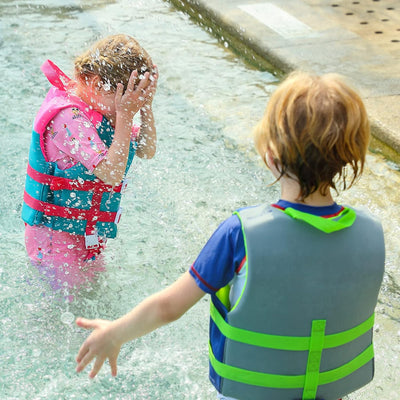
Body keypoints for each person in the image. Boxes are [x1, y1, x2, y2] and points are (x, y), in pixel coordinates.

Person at [75, 71, 385, 400]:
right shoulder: (368, 233)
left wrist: (115, 333)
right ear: (351, 154)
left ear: (271, 155)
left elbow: (169, 307)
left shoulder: (241, 235)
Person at [22, 34, 158, 292]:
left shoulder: (104, 109)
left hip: (87, 236)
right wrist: (126, 114)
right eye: (122, 100)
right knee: (67, 305)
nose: (123, 108)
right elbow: (112, 173)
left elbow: (146, 150)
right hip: (54, 238)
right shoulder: (68, 119)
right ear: (95, 82)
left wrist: (145, 108)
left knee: (93, 300)